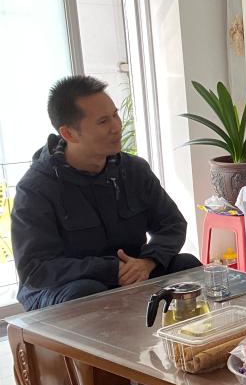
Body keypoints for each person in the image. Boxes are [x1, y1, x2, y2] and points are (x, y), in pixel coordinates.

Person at [12, 75, 201, 310]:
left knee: (187, 267)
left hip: (130, 273)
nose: (116, 127)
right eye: (103, 122)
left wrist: (148, 261)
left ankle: (193, 335)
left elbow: (172, 224)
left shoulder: (133, 170)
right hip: (61, 288)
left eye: (115, 115)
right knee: (87, 293)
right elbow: (36, 268)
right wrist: (110, 269)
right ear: (69, 134)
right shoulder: (36, 188)